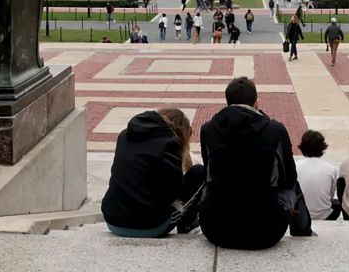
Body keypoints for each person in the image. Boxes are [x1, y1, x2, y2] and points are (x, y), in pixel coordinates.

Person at [199, 77, 312, 249]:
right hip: (266, 232)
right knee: (292, 186)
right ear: (255, 102)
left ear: (227, 101)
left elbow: (208, 173)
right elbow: (289, 177)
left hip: (215, 230)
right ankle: (303, 231)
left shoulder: (208, 129)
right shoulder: (275, 130)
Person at [102, 108, 206, 238]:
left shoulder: (124, 135)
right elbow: (174, 192)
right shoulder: (170, 144)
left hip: (112, 219)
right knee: (198, 173)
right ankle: (186, 225)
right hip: (150, 226)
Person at [296, 130, 340, 221]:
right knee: (337, 204)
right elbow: (331, 195)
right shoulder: (331, 168)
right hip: (324, 216)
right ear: (322, 148)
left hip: (300, 214)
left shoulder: (295, 166)